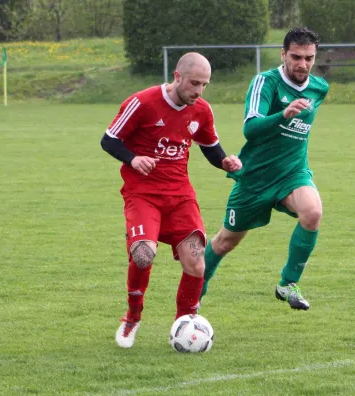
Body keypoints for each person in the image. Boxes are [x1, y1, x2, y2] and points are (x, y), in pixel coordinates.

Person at [100, 52, 242, 348]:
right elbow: (109, 139)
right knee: (143, 255)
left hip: (180, 196)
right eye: (194, 83)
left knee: (197, 262)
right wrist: (133, 158)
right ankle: (132, 318)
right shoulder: (142, 102)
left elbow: (210, 146)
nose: (199, 91)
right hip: (142, 194)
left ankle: (186, 324)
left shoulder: (201, 109)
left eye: (205, 85)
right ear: (177, 76)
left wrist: (225, 162)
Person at [201, 27, 329, 310]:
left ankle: (287, 284)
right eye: (296, 57)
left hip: (292, 173)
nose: (303, 64)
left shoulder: (319, 88)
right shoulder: (266, 82)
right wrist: (282, 115)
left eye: (309, 58)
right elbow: (251, 129)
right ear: (283, 54)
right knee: (225, 242)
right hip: (256, 178)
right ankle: (194, 294)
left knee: (313, 212)